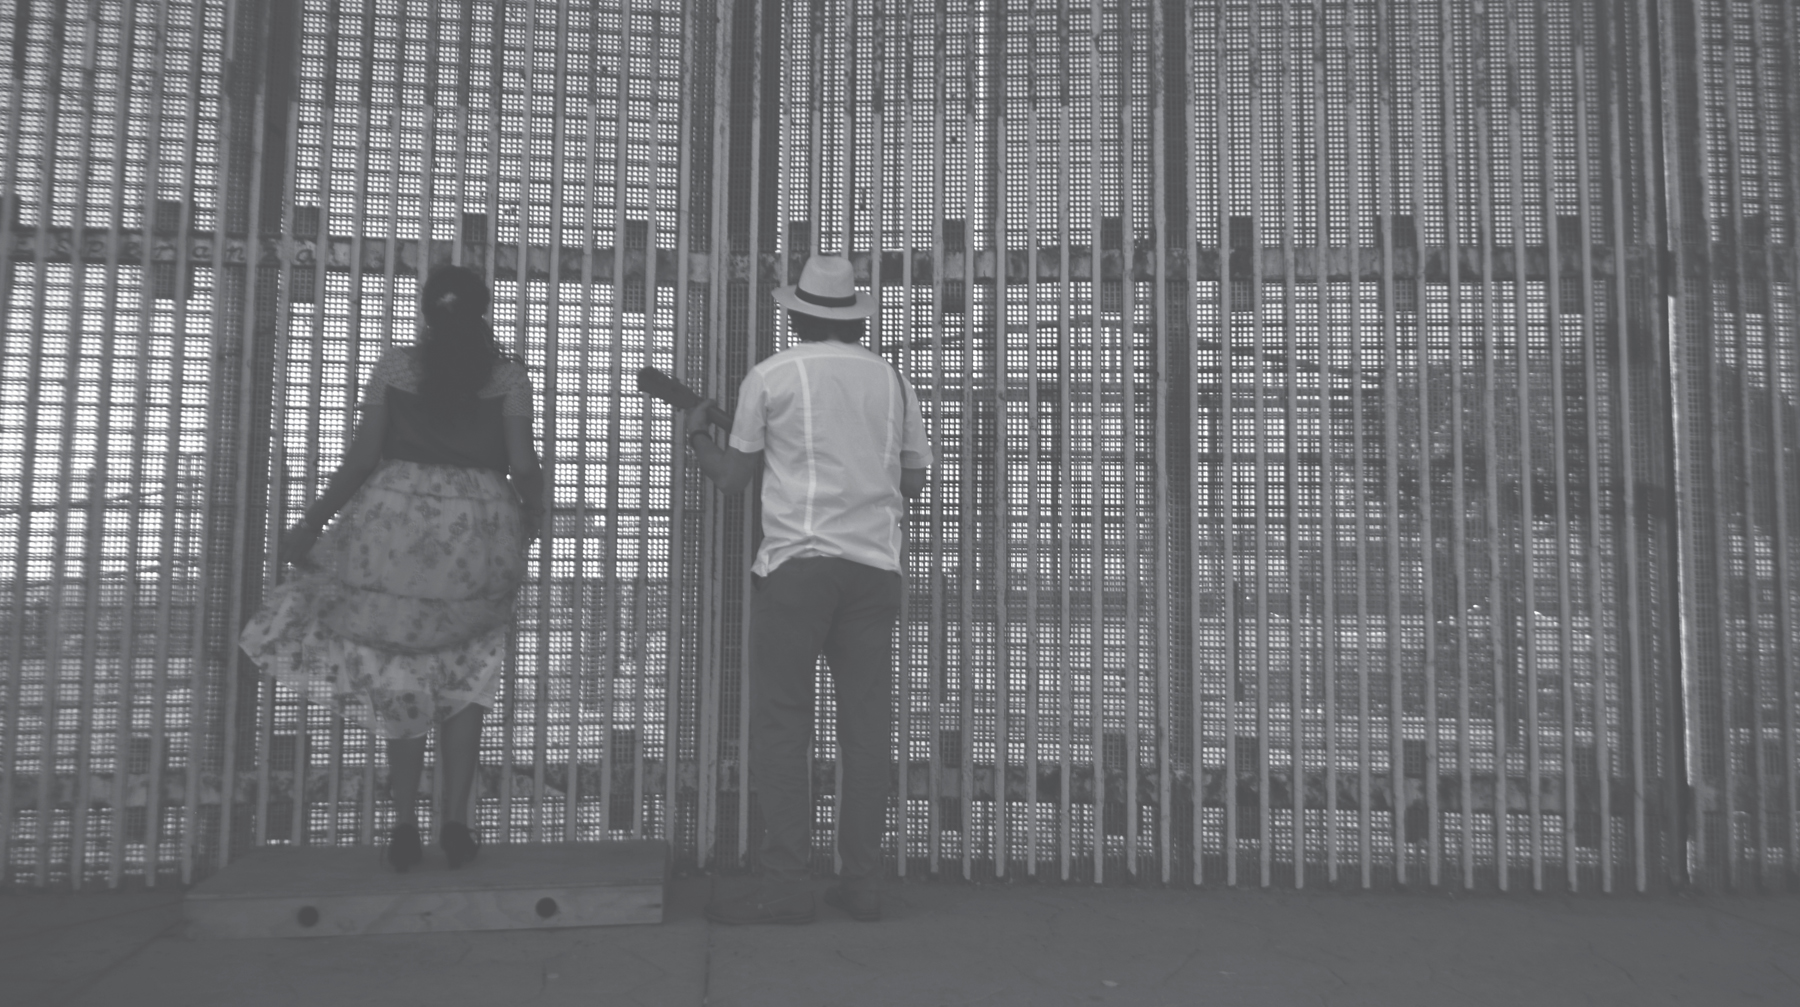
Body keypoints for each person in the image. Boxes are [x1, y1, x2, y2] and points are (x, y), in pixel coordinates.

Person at [240, 264, 543, 872]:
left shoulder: (396, 369)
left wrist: (311, 524)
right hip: (478, 533)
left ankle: (404, 823)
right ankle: (455, 824)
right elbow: (523, 463)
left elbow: (360, 460)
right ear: (483, 311)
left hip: (391, 531)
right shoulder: (508, 377)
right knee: (468, 676)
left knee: (402, 674)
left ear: (428, 313)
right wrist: (530, 523)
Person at [683, 254, 933, 924]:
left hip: (797, 569)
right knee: (865, 730)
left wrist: (697, 440)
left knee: (784, 725)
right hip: (874, 572)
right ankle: (863, 883)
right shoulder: (892, 381)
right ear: (852, 318)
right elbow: (912, 481)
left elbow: (735, 478)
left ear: (795, 316)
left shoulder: (772, 376)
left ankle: (787, 886)